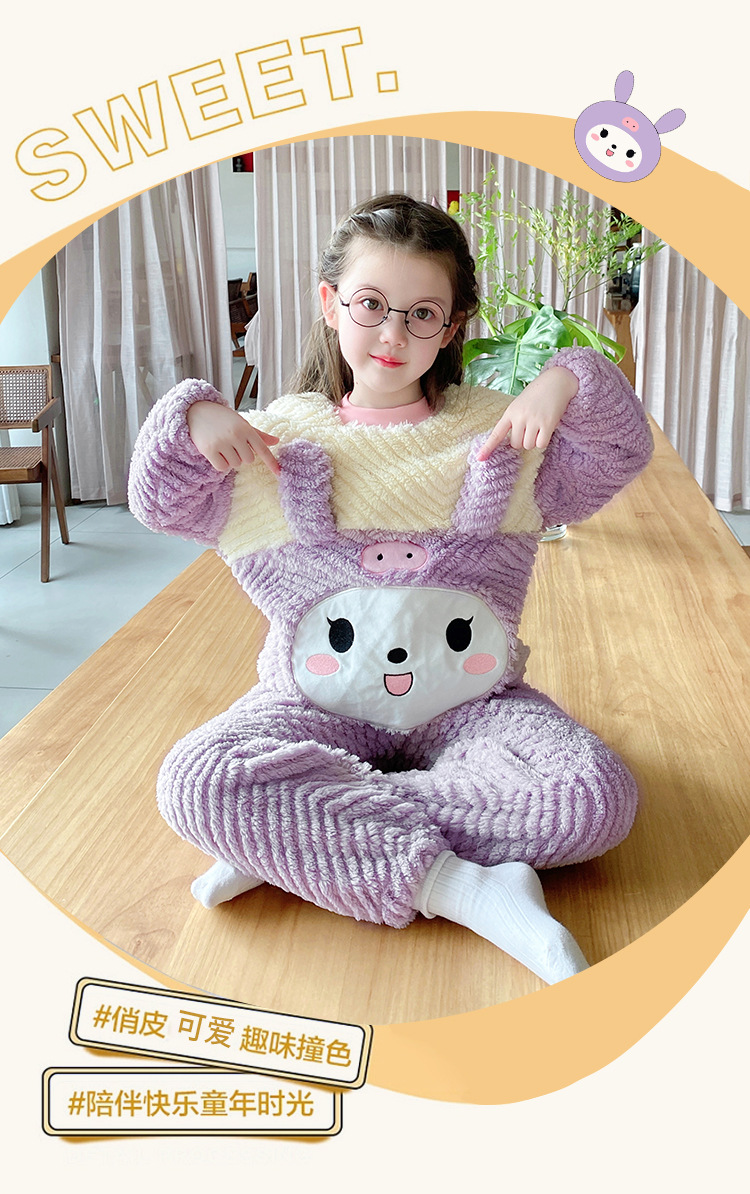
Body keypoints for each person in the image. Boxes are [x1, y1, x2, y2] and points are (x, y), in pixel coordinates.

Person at [128, 193, 653, 986]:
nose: (392, 334)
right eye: (370, 304)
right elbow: (158, 501)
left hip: (475, 710)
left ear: (453, 324)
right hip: (313, 709)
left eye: (422, 314)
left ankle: (302, 835)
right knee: (196, 781)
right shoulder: (275, 439)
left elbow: (619, 452)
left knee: (593, 797)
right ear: (330, 303)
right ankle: (464, 887)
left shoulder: (501, 434)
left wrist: (567, 379)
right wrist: (192, 412)